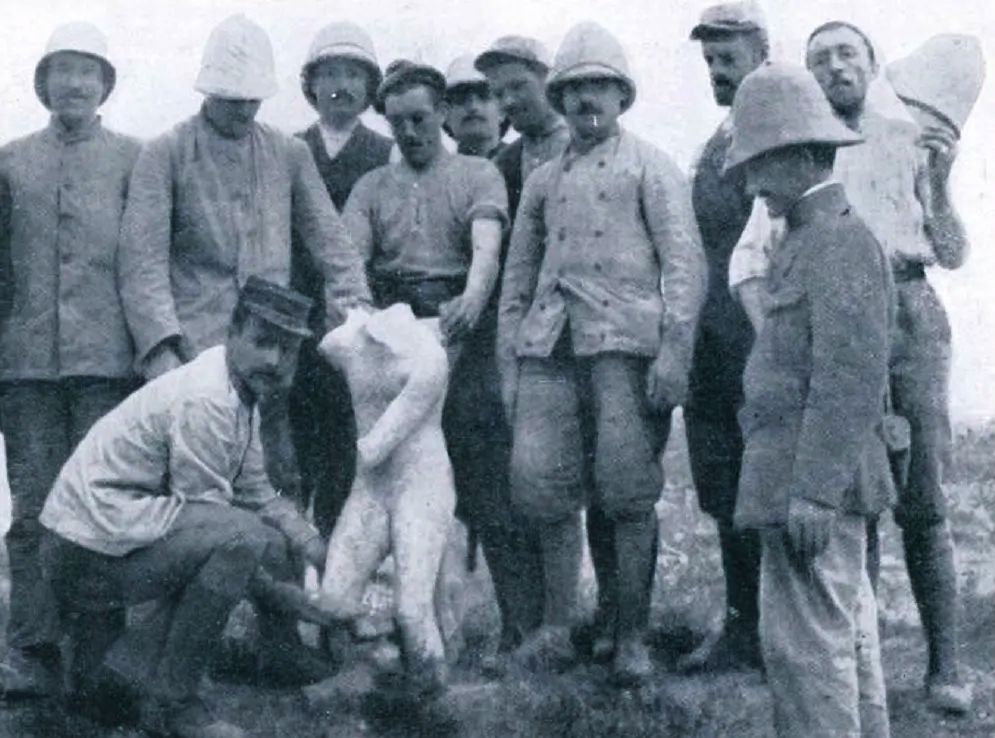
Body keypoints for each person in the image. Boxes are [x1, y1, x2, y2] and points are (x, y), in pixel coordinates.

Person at [730, 21, 975, 713]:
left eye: (846, 53)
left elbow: (950, 250)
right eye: (818, 59)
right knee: (849, 507)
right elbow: (749, 267)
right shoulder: (798, 175)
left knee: (920, 502)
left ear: (871, 64)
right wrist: (781, 355)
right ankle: (855, 665)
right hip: (834, 321)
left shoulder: (907, 142)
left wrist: (940, 178)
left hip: (908, 313)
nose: (833, 66)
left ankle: (944, 665)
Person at [498, 22, 706, 684]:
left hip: (625, 349)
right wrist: (512, 365)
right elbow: (516, 282)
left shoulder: (651, 166)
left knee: (625, 490)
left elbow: (683, 264)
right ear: (558, 98)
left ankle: (631, 636)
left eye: (599, 86)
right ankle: (560, 629)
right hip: (549, 352)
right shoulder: (539, 181)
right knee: (547, 487)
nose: (587, 99)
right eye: (574, 88)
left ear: (621, 95)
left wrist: (674, 352)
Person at [40, 277, 334, 738]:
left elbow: (257, 491)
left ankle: (124, 675)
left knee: (246, 535)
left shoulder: (240, 393)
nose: (274, 360)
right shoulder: (207, 397)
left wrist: (319, 549)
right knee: (242, 540)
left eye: (287, 349)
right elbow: (223, 535)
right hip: (82, 552)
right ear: (232, 333)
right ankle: (175, 704)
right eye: (262, 343)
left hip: (109, 538)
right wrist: (300, 601)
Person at [118, 14, 371, 506]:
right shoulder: (165, 153)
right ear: (208, 90)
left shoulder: (288, 153)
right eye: (231, 99)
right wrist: (164, 351)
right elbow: (141, 264)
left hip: (271, 356)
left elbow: (333, 246)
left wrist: (356, 307)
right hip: (193, 355)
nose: (242, 109)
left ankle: (287, 581)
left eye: (252, 100)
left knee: (277, 485)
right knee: (196, 492)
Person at [726, 61, 895, 738]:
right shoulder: (806, 238)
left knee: (806, 654)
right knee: (840, 639)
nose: (750, 184)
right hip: (799, 484)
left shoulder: (837, 241)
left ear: (799, 156)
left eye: (759, 165)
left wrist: (815, 493)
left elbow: (847, 379)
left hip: (811, 490)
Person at [341, 60, 513, 661]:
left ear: (441, 112)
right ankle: (413, 619)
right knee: (399, 472)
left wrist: (469, 300)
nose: (410, 132)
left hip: (461, 325)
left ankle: (493, 626)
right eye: (397, 123)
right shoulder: (371, 188)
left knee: (470, 470)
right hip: (394, 332)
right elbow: (351, 266)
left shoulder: (477, 172)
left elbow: (486, 248)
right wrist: (367, 319)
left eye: (419, 119)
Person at [0, 22, 140, 699]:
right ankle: (32, 651)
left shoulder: (134, 159)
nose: (75, 83)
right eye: (62, 70)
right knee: (32, 511)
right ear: (43, 82)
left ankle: (101, 657)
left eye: (88, 71)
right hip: (24, 367)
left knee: (101, 509)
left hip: (107, 367)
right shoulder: (10, 161)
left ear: (106, 84)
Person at [678, 0, 769, 673]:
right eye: (709, 59)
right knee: (722, 489)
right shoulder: (714, 140)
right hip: (709, 341)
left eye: (727, 56)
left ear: (759, 52)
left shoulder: (778, 128)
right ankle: (741, 629)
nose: (716, 69)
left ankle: (782, 637)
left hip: (759, 336)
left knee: (766, 486)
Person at [316, 304, 454, 696]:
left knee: (412, 610)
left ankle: (431, 689)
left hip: (422, 484)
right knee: (334, 600)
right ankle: (352, 681)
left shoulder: (430, 360)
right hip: (371, 487)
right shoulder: (351, 340)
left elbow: (376, 446)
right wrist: (354, 321)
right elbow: (328, 345)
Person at [292, 21, 393, 538]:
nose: (341, 85)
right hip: (295, 328)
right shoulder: (287, 148)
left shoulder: (385, 153)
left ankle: (339, 594)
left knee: (344, 456)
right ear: (311, 84)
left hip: (357, 326)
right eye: (330, 73)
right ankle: (291, 598)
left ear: (369, 86)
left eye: (354, 74)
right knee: (292, 461)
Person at [443, 54, 507, 158]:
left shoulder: (525, 167)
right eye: (460, 98)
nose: (473, 107)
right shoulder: (439, 172)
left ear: (502, 110)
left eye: (483, 96)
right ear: (446, 115)